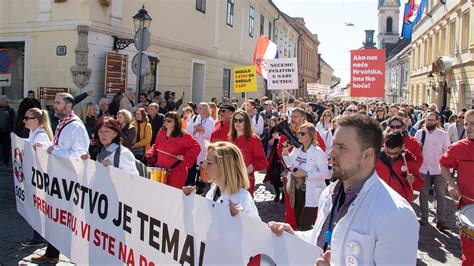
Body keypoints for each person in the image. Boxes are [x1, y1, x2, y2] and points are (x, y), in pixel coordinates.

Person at [268, 114, 419, 265]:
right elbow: (324, 239)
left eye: (342, 147)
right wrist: (294, 235)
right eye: (333, 146)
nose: (332, 153)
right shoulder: (329, 193)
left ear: (368, 154)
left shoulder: (396, 214)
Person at [32, 93, 90, 264]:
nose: (54, 105)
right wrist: (45, 146)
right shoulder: (63, 123)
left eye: (58, 103)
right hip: (58, 178)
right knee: (54, 217)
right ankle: (52, 253)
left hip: (69, 181)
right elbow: (58, 146)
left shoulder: (76, 127)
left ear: (68, 106)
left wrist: (54, 151)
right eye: (55, 102)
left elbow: (79, 154)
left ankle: (72, 255)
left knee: (64, 219)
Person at [183, 141, 260, 220]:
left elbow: (256, 229)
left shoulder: (242, 199)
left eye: (209, 163)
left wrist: (242, 218)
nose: (203, 165)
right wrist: (190, 200)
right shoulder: (212, 192)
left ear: (225, 168)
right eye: (205, 161)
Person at [440, 109, 474, 266]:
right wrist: (451, 184)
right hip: (467, 208)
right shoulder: (458, 148)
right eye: (466, 124)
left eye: (472, 124)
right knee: (469, 255)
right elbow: (444, 164)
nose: (468, 128)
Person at [281, 122, 330, 230]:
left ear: (311, 136)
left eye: (302, 133)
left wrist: (306, 174)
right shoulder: (297, 149)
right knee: (298, 221)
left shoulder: (317, 152)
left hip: (311, 192)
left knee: (306, 224)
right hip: (297, 190)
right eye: (298, 133)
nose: (298, 135)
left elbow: (326, 174)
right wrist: (285, 152)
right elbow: (289, 164)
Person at [20, 107, 53, 247]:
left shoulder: (40, 135)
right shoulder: (33, 132)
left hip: (39, 179)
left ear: (35, 120)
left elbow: (44, 150)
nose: (24, 120)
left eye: (27, 118)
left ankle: (39, 238)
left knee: (38, 208)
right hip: (34, 177)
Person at [145, 112, 200, 189]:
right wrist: (150, 152)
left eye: (169, 121)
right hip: (160, 170)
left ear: (176, 122)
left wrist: (185, 157)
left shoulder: (184, 135)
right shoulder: (162, 131)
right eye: (165, 120)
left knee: (172, 197)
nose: (166, 122)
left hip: (176, 173)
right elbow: (156, 145)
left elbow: (196, 147)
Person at [415, 112, 451, 230]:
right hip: (424, 168)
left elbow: (447, 152)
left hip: (439, 169)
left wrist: (448, 170)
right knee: (423, 193)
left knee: (440, 195)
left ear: (436, 121)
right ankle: (424, 216)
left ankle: (441, 220)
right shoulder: (420, 133)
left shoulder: (443, 135)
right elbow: (414, 151)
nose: (430, 122)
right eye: (428, 120)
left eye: (432, 120)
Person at [375, 131, 424, 202]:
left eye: (395, 153)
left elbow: (420, 184)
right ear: (385, 146)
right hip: (380, 198)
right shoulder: (376, 157)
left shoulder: (409, 160)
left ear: (402, 147)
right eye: (388, 152)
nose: (391, 156)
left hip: (401, 201)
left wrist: (413, 180)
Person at [229, 110, 267, 196]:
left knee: (244, 208)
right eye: (235, 120)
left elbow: (263, 162)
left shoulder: (253, 140)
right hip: (230, 179)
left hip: (246, 180)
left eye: (240, 120)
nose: (237, 123)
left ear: (246, 122)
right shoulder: (231, 139)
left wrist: (251, 167)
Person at [186, 102, 215, 189]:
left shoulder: (210, 121)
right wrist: (196, 130)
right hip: (194, 147)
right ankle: (190, 185)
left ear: (205, 110)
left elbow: (211, 135)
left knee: (202, 169)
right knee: (192, 168)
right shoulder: (195, 118)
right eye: (198, 108)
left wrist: (202, 130)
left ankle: (201, 188)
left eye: (200, 108)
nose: (198, 110)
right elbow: (189, 130)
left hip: (203, 148)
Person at [0, 95, 15, 167]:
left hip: (7, 131)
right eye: (5, 101)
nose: (7, 102)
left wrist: (12, 131)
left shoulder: (10, 110)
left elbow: (13, 121)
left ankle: (6, 161)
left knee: (6, 147)